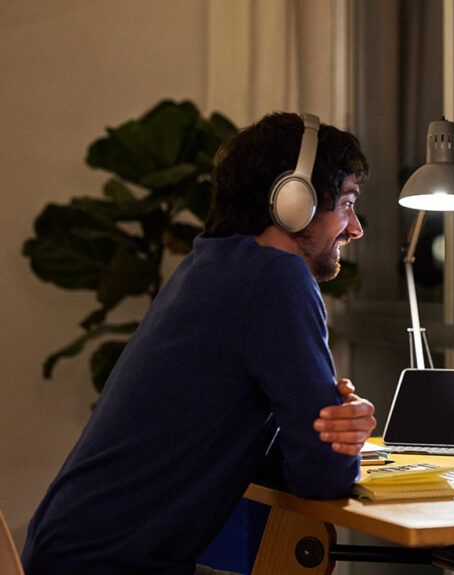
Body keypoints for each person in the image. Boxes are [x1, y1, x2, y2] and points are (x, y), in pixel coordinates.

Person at [22, 113, 378, 575]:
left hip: (74, 552)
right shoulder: (276, 277)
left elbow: (257, 452)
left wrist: (327, 429)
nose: (355, 228)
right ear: (297, 200)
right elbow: (321, 478)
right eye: (347, 203)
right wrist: (340, 443)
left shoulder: (211, 264)